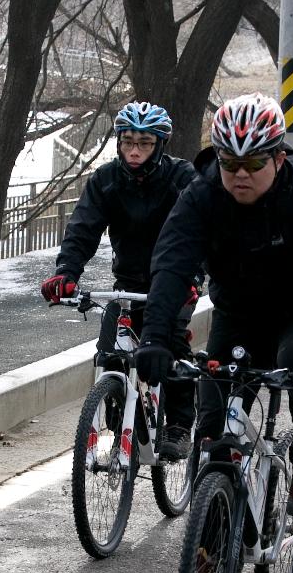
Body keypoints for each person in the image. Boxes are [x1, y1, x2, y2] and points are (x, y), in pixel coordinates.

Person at [137, 93, 293, 518]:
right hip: (237, 313)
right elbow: (172, 264)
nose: (239, 176)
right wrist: (155, 335)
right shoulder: (203, 193)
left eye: (253, 166)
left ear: (279, 159)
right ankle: (210, 539)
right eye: (230, 164)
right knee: (212, 432)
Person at [40, 101, 198, 459]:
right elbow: (82, 229)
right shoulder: (106, 180)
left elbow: (201, 231)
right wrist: (66, 273)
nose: (134, 151)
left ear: (160, 144)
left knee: (171, 341)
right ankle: (116, 405)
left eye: (144, 143)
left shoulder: (182, 179)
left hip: (176, 280)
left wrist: (194, 276)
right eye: (127, 142)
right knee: (109, 348)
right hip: (128, 280)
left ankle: (178, 425)